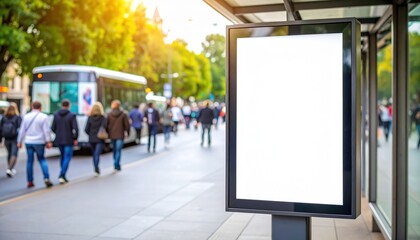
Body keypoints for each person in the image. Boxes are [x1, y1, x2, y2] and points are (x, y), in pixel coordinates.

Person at [17, 101, 53, 188]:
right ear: (40, 107)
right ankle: (46, 178)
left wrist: (19, 141)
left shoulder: (26, 116)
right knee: (42, 159)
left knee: (30, 161)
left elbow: (22, 130)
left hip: (28, 141)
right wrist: (48, 141)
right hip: (39, 141)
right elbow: (46, 131)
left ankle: (30, 181)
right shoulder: (43, 117)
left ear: (32, 106)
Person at [51, 99, 79, 184]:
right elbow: (76, 129)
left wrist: (58, 133)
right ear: (69, 105)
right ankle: (62, 175)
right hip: (68, 139)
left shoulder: (56, 115)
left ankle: (63, 174)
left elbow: (52, 128)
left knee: (62, 157)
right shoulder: (72, 115)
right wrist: (75, 138)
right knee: (67, 157)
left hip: (59, 139)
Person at [107, 100, 130, 172]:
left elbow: (106, 125)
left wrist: (108, 133)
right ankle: (116, 164)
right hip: (120, 135)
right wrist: (127, 133)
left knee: (114, 150)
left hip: (112, 135)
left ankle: (116, 164)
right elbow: (127, 125)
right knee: (118, 150)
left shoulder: (109, 114)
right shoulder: (123, 114)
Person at [0, 102, 22, 177]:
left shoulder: (4, 117)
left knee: (9, 153)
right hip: (14, 138)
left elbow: (0, 129)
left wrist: (0, 140)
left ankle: (10, 168)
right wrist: (20, 140)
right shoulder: (17, 117)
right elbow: (20, 129)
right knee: (14, 153)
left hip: (6, 138)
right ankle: (10, 168)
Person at [85, 102, 106, 176]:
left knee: (94, 154)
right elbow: (104, 127)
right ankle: (96, 168)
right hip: (99, 138)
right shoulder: (103, 118)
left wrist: (90, 134)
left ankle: (95, 168)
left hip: (91, 138)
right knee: (97, 154)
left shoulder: (90, 118)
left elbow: (86, 129)